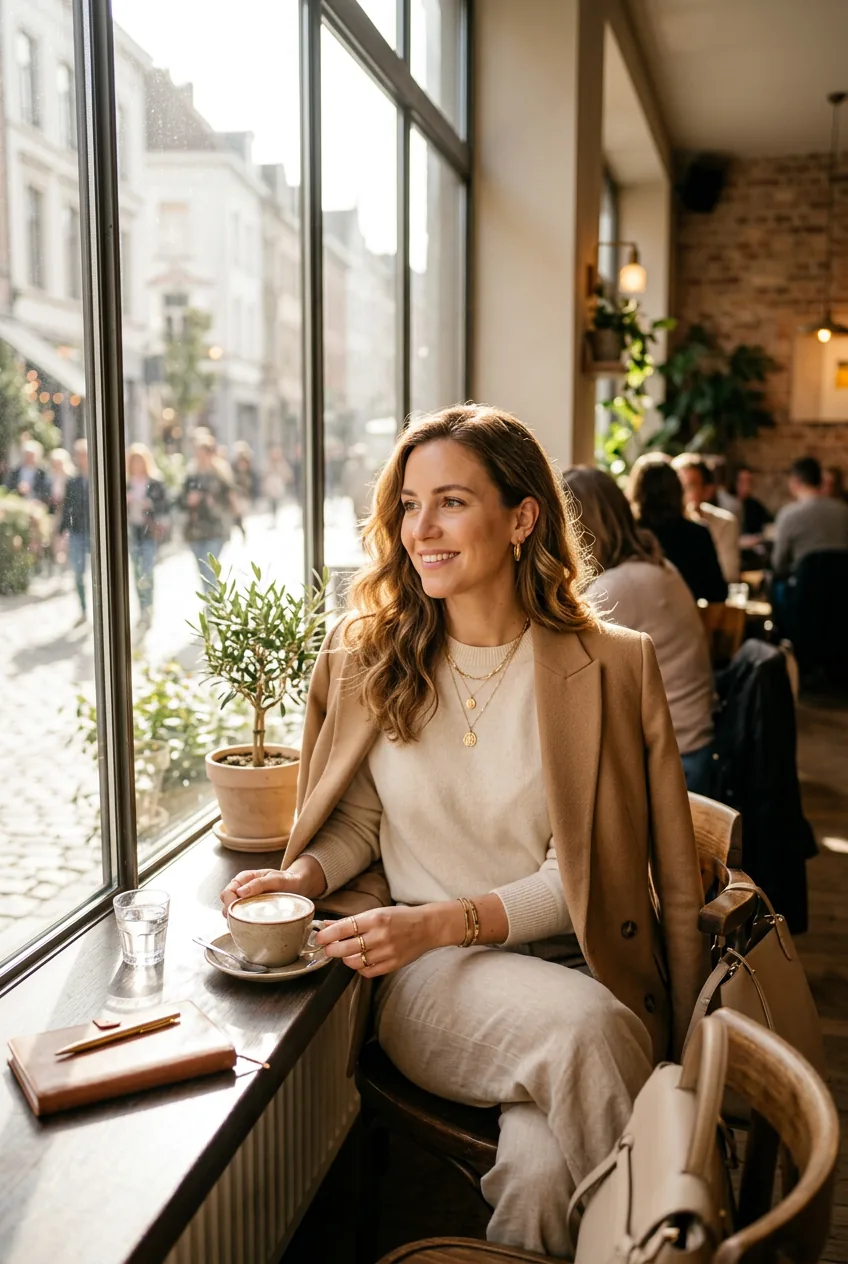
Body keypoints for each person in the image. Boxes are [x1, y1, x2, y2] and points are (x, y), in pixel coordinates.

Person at [219, 405, 707, 1257]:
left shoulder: (612, 666)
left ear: (522, 518)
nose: (421, 529)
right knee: (590, 1033)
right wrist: (302, 879)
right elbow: (361, 824)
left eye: (450, 501)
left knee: (542, 1172)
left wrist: (449, 914)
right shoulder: (365, 653)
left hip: (577, 961)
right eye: (408, 505)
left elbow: (584, 878)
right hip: (429, 974)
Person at [563, 466, 716, 796]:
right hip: (690, 743)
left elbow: (563, 672)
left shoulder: (617, 587)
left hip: (672, 759)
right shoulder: (654, 564)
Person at [628, 452, 727, 603]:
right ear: (677, 490)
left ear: (636, 491)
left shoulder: (628, 535)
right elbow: (718, 593)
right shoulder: (697, 534)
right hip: (683, 620)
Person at [772, 456, 848, 578]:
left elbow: (778, 565)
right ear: (820, 481)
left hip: (804, 592)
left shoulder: (788, 515)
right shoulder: (844, 511)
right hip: (842, 590)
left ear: (794, 482)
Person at [179, 434, 238, 587]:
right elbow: (180, 501)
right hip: (195, 531)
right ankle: (212, 605)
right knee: (203, 573)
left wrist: (213, 500)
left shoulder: (220, 475)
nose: (200, 457)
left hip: (215, 530)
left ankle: (212, 607)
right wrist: (189, 500)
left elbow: (231, 501)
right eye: (197, 453)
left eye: (202, 453)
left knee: (210, 571)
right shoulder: (191, 476)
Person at [672, 454, 741, 583]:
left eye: (690, 487)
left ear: (707, 491)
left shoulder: (725, 523)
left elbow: (729, 575)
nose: (681, 493)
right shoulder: (663, 525)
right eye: (677, 486)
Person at [126, 443, 169, 631]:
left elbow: (164, 506)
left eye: (139, 461)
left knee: (147, 570)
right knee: (136, 571)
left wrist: (149, 504)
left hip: (148, 531)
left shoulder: (155, 482)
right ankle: (142, 608)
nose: (136, 465)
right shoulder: (125, 483)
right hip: (131, 530)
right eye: (133, 461)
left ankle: (149, 607)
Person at [60, 439, 91, 624]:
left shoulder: (101, 479)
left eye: (85, 454)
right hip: (78, 532)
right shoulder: (72, 482)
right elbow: (67, 508)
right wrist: (62, 531)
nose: (82, 458)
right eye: (80, 455)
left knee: (100, 572)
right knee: (78, 572)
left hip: (96, 533)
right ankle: (83, 609)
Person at [46, 447, 74, 570]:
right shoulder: (50, 477)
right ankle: (57, 563)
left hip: (67, 511)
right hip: (54, 511)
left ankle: (67, 564)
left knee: (66, 537)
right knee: (54, 536)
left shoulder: (70, 477)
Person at [263, 446, 293, 526]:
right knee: (272, 504)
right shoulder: (269, 464)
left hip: (278, 487)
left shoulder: (282, 464)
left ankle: (276, 518)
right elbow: (265, 475)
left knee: (276, 504)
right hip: (271, 487)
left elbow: (288, 475)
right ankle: (273, 518)